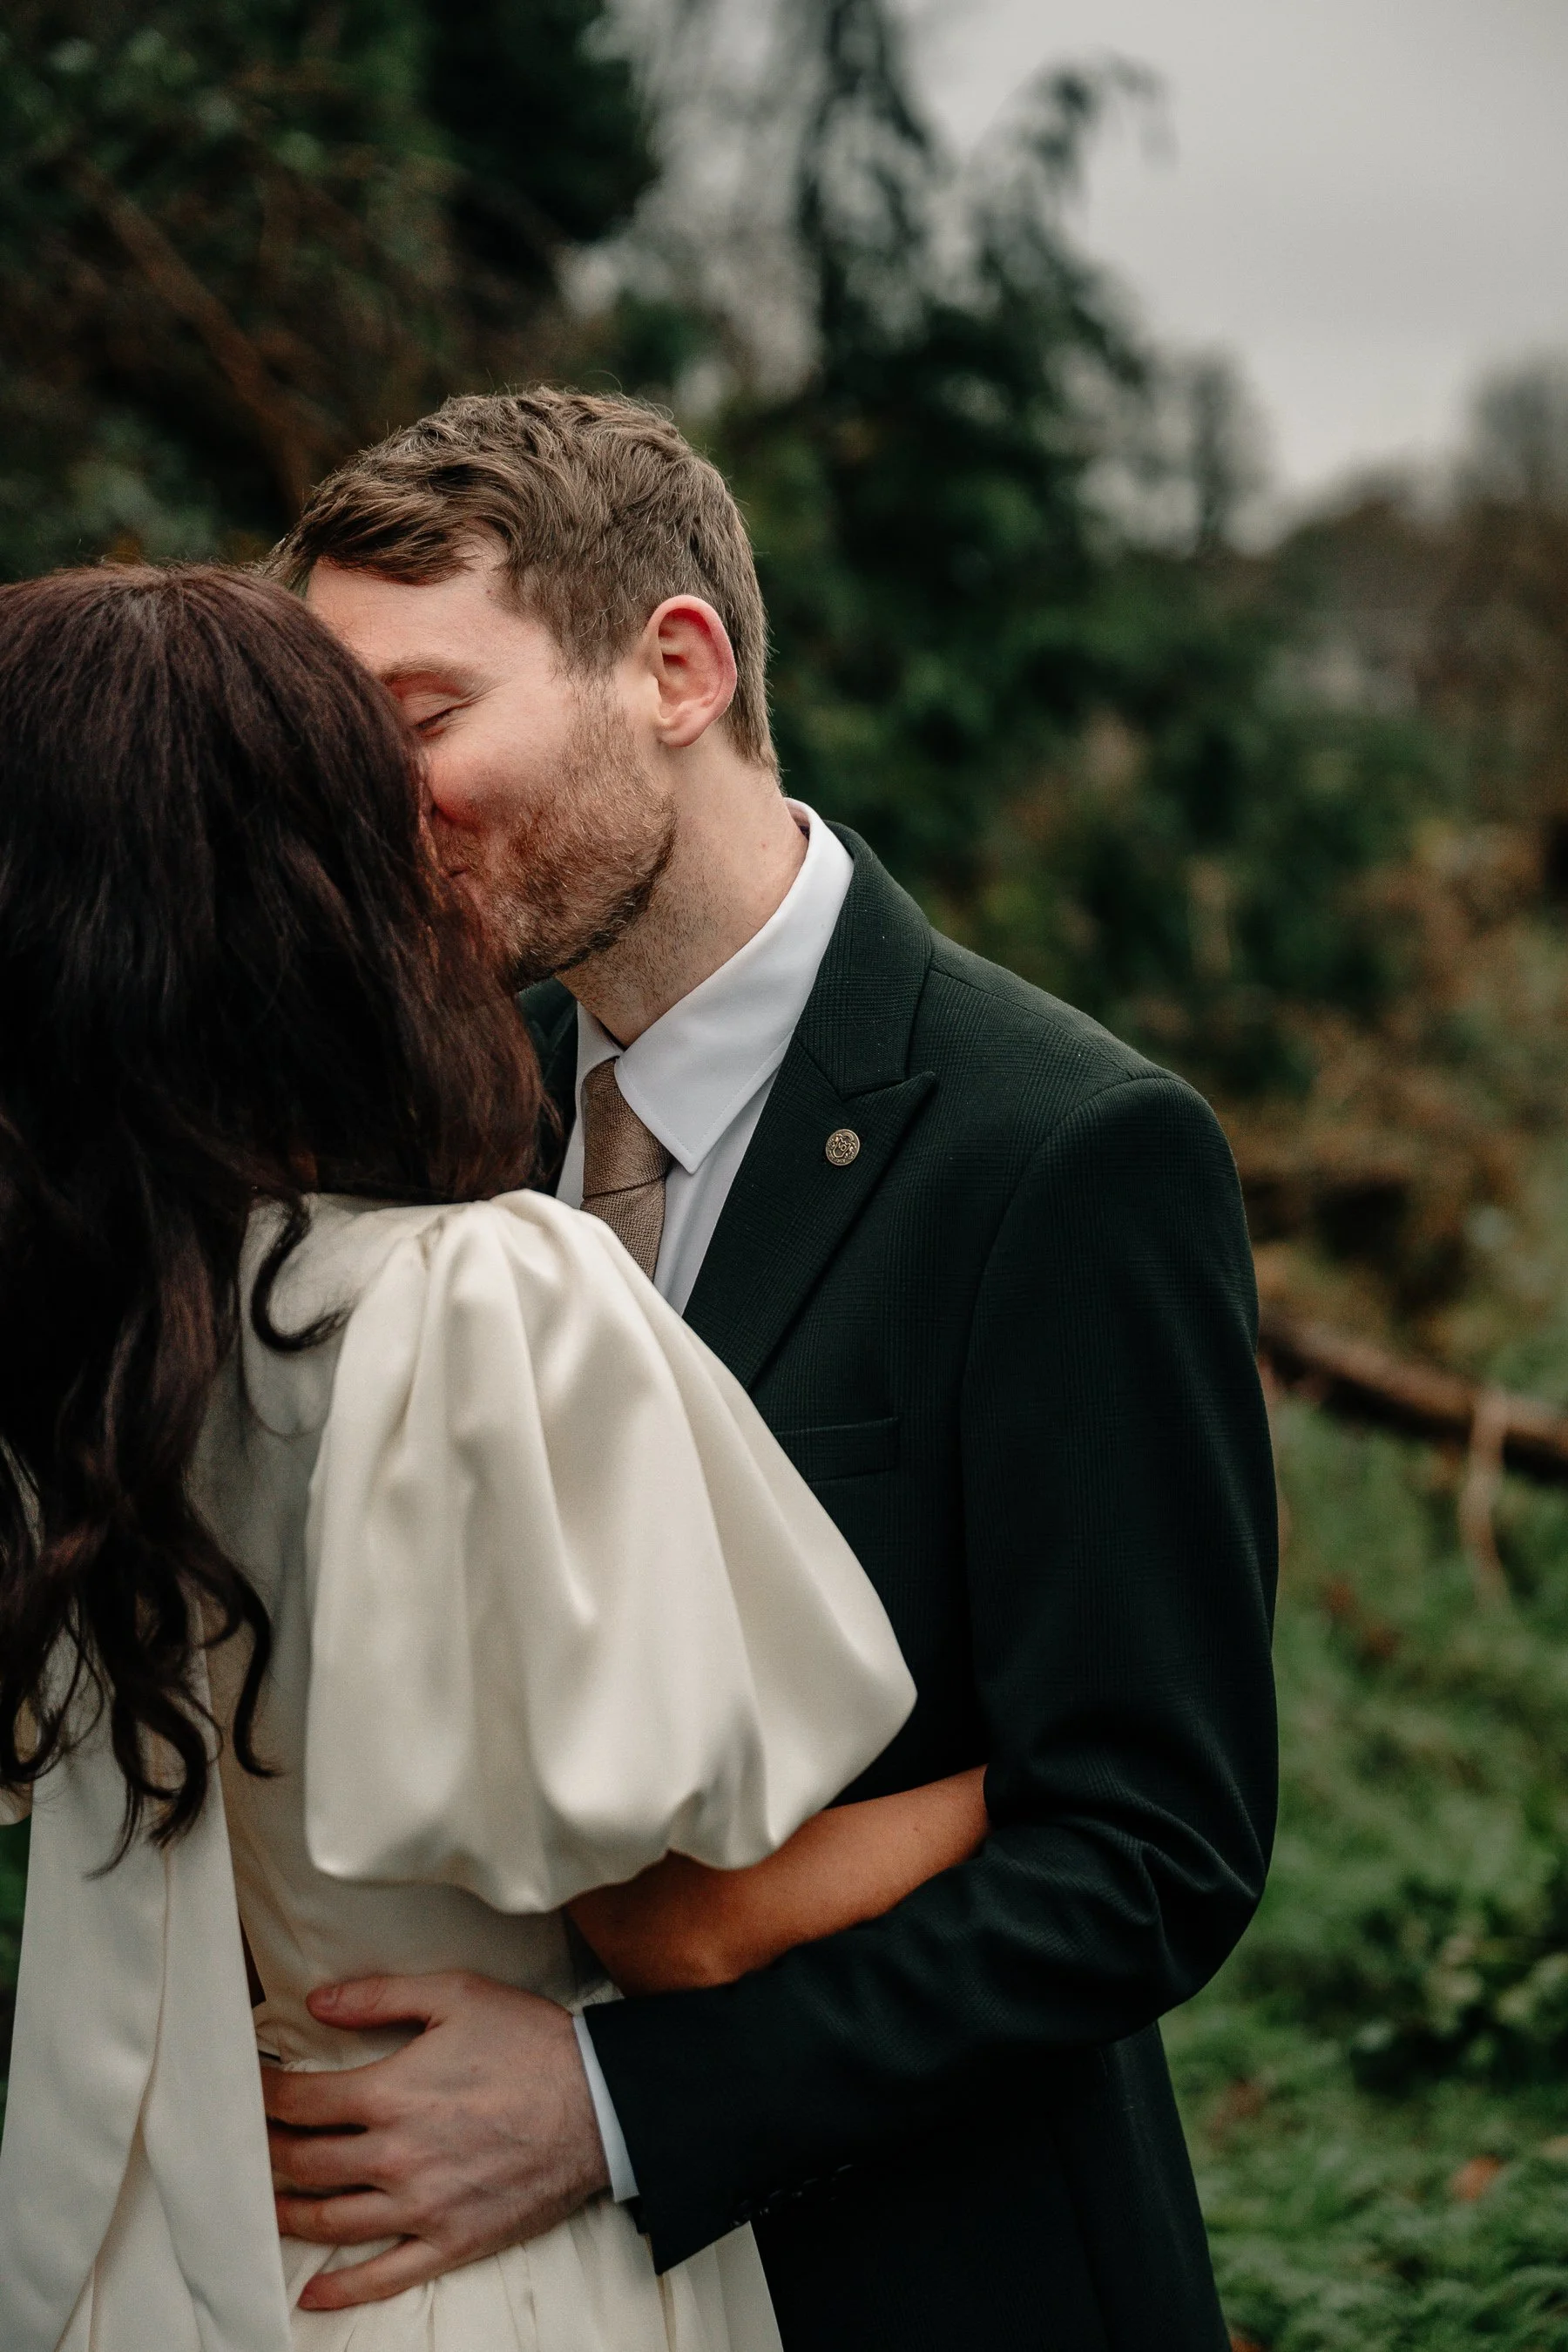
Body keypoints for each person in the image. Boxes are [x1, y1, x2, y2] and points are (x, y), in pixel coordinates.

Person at [269, 388, 1281, 2352]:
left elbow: (1153, 1850)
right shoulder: (430, 1144)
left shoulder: (1067, 1152)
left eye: (418, 726)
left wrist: (623, 2110)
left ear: (676, 666)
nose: (369, 820)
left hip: (937, 2279)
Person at [0, 563, 990, 2352]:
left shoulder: (67, 1330)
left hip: (193, 2246)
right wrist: (1036, 1785)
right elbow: (673, 1930)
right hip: (485, 2262)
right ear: (320, 887)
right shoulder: (474, 1305)